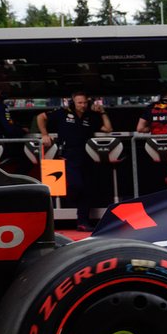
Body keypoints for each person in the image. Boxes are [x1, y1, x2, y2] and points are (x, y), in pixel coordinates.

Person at [37, 92, 112, 231]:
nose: (83, 105)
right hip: (67, 155)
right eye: (79, 103)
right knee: (75, 185)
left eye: (84, 102)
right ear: (73, 102)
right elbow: (41, 117)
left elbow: (108, 129)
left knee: (87, 189)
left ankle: (82, 222)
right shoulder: (62, 113)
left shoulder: (91, 116)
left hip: (87, 155)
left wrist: (103, 112)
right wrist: (44, 134)